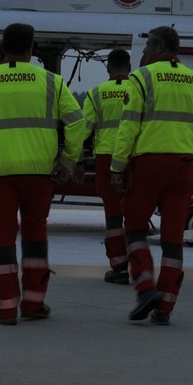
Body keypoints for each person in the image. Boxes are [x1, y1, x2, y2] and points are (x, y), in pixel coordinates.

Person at [0, 23, 86, 325]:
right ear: (31, 49)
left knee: (2, 238)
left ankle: (5, 307)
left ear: (3, 48)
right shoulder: (51, 83)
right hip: (39, 174)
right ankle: (34, 304)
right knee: (35, 235)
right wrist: (68, 161)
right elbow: (77, 122)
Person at [111, 26, 193, 325]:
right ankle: (165, 307)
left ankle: (145, 289)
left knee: (135, 229)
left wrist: (117, 167)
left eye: (145, 47)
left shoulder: (141, 79)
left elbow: (128, 126)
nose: (141, 54)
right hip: (183, 167)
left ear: (157, 46)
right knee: (173, 238)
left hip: (148, 165)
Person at [82, 49, 132, 285]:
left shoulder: (96, 94)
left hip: (106, 158)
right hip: (134, 157)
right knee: (134, 213)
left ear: (108, 68)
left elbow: (84, 129)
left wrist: (74, 160)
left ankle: (119, 266)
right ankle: (139, 264)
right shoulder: (138, 90)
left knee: (113, 215)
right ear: (129, 67)